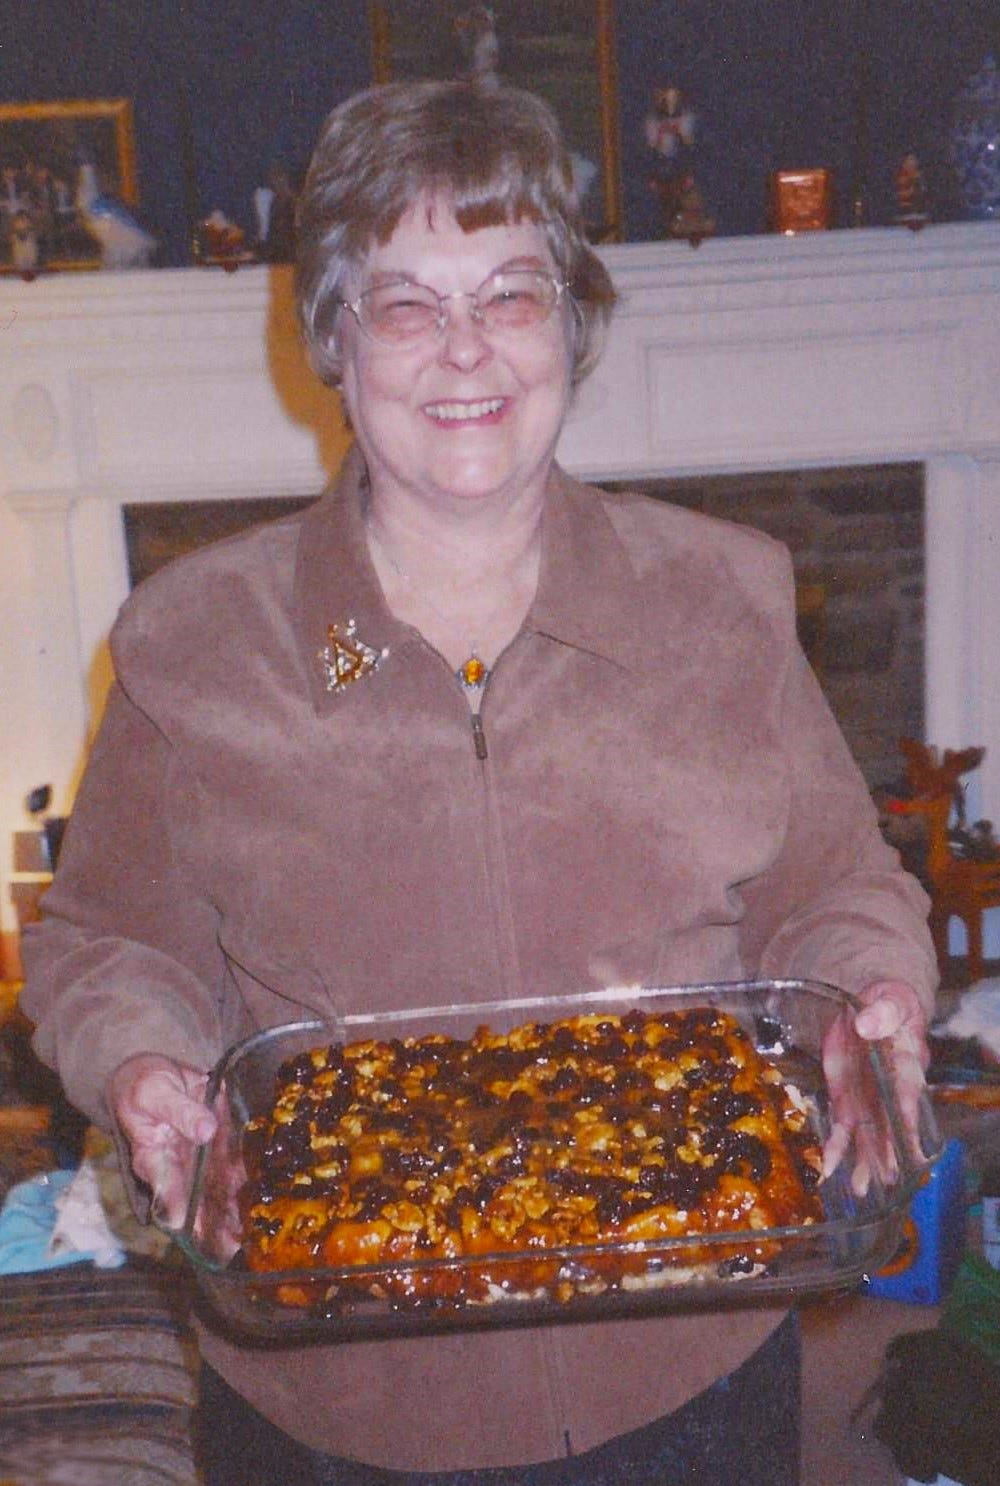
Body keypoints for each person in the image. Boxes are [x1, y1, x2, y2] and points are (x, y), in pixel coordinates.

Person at [21, 79, 937, 1485]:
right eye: (405, 302)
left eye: (511, 293)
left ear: (571, 324)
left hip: (685, 1372)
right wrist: (145, 1062)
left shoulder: (719, 600)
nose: (465, 350)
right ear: (332, 337)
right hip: (341, 1400)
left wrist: (866, 997)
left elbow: (832, 887)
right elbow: (107, 939)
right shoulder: (199, 644)